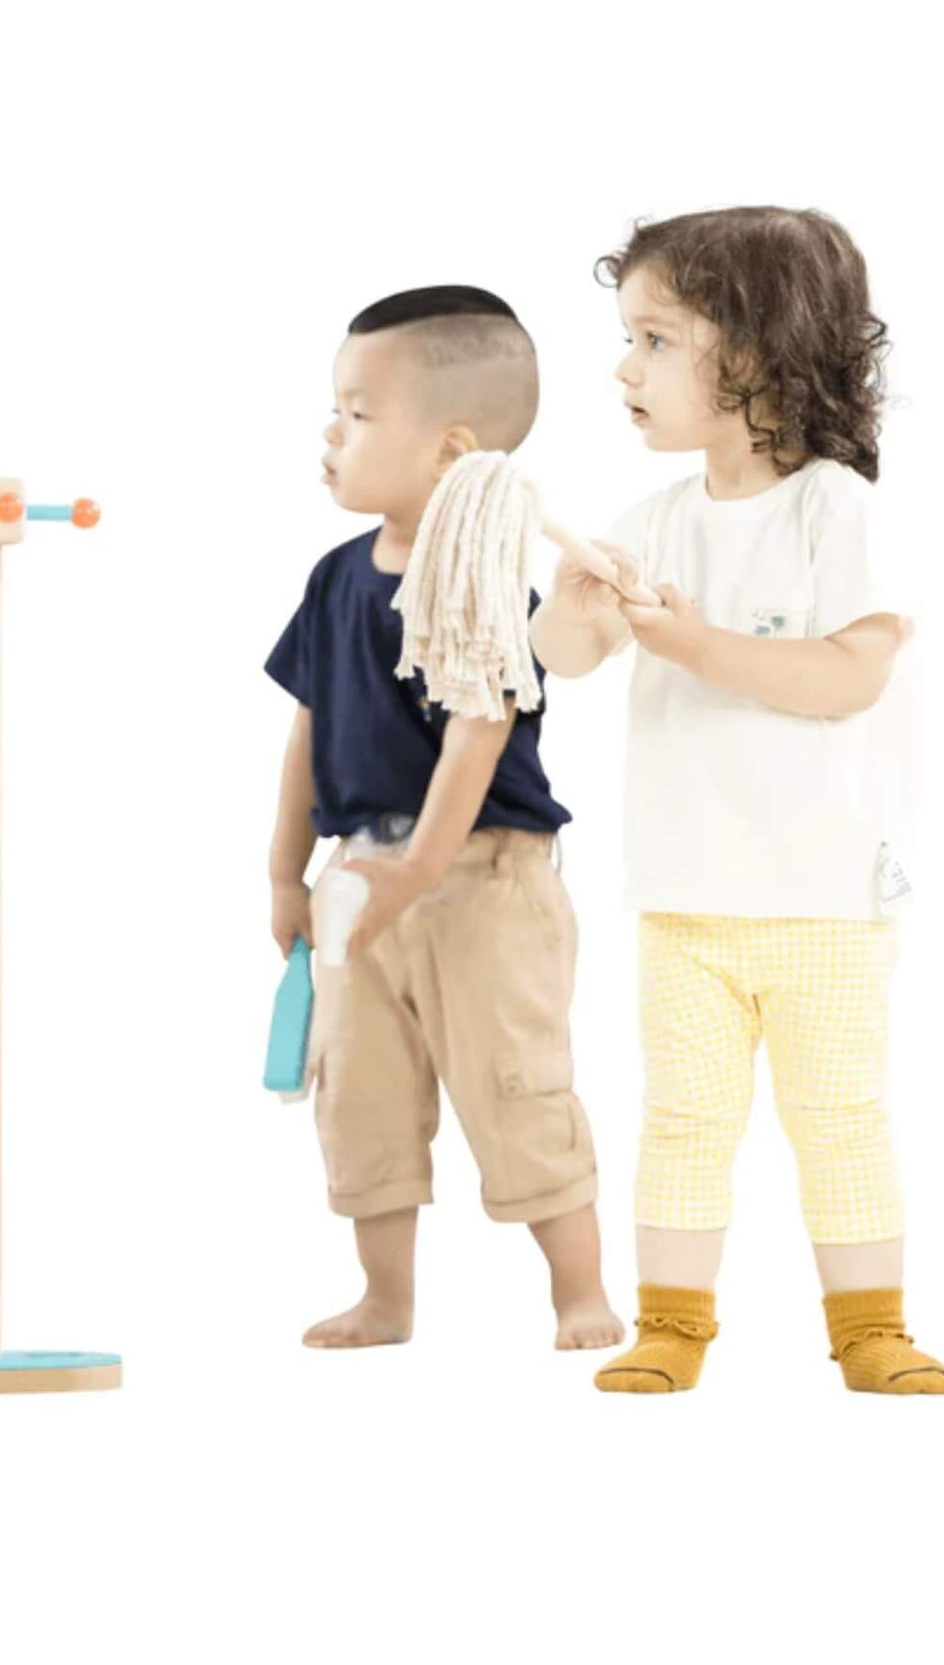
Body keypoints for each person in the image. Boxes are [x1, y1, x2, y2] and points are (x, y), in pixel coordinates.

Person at [530, 206, 944, 1395]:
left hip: (821, 895)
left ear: (758, 352)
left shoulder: (838, 509)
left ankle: (869, 1324)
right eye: (628, 338)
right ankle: (670, 1321)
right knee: (680, 1118)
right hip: (683, 892)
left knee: (839, 1117)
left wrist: (694, 639)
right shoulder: (653, 523)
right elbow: (565, 657)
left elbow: (841, 678)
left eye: (654, 339)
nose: (624, 367)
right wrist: (573, 600)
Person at [266, 285, 622, 1354]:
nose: (331, 432)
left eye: (358, 412)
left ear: (447, 447)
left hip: (480, 878)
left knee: (515, 1083)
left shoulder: (477, 583)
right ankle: (384, 1297)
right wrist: (285, 868)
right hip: (358, 869)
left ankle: (578, 1290)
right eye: (333, 407)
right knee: (358, 1091)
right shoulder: (335, 578)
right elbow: (306, 726)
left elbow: (476, 732)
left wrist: (417, 871)